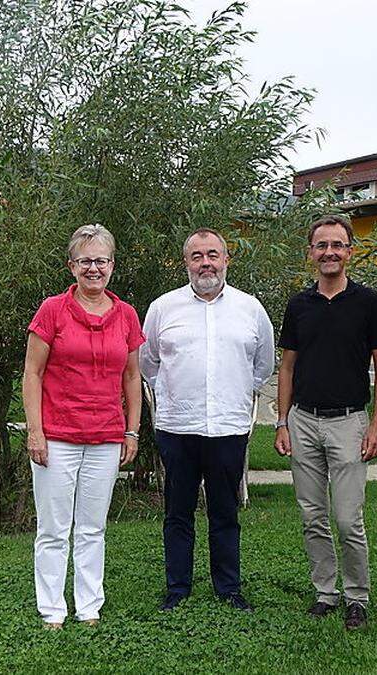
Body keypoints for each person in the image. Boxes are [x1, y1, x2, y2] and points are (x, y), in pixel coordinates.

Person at [140, 227, 275, 613]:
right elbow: (148, 362)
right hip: (178, 429)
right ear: (186, 262)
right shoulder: (163, 308)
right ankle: (177, 588)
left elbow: (262, 365)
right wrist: (172, 395)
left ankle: (228, 588)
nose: (206, 263)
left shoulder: (250, 309)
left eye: (213, 254)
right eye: (197, 256)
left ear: (226, 259)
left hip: (228, 430)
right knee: (177, 513)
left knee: (224, 512)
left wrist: (231, 396)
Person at [22, 224, 145, 630]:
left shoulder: (126, 314)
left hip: (107, 437)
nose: (94, 268)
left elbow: (131, 377)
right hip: (57, 436)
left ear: (112, 265)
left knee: (93, 528)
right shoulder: (52, 310)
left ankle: (89, 606)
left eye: (101, 261)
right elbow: (33, 373)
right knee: (54, 529)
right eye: (86, 261)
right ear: (71, 266)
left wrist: (132, 430)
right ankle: (52, 610)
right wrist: (35, 431)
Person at [274, 214, 377, 630]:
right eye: (322, 245)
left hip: (348, 423)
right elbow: (286, 367)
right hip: (303, 420)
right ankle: (326, 591)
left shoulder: (367, 303)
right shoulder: (298, 305)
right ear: (311, 254)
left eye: (337, 245)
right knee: (312, 516)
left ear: (349, 252)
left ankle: (357, 596)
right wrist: (282, 422)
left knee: (347, 518)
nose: (329, 252)